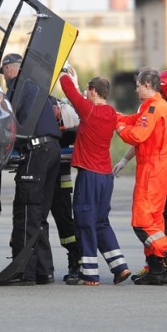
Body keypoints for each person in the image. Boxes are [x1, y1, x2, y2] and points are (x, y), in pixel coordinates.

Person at [114, 70, 167, 284]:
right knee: (154, 221)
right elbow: (134, 119)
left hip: (152, 169)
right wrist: (112, 115)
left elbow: (137, 134)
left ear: (146, 84)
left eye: (137, 85)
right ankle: (156, 268)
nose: (135, 89)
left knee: (142, 222)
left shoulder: (154, 107)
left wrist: (118, 128)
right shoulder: (153, 106)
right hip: (155, 168)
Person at [59, 69, 131, 286]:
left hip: (89, 175)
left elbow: (67, 89)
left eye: (88, 90)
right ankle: (120, 267)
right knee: (101, 222)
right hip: (105, 176)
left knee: (84, 221)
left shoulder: (88, 110)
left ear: (92, 91)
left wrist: (66, 73)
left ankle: (90, 273)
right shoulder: (111, 113)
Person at [0, 53, 61, 286]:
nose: (3, 77)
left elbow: (4, 121)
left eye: (4, 71)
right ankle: (44, 271)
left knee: (26, 211)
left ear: (9, 69)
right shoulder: (36, 87)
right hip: (51, 149)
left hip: (36, 152)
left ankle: (24, 271)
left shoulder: (17, 89)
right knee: (38, 214)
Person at [50, 97, 82, 285]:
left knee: (65, 225)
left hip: (60, 184)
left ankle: (76, 260)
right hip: (41, 182)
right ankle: (39, 265)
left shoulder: (70, 128)